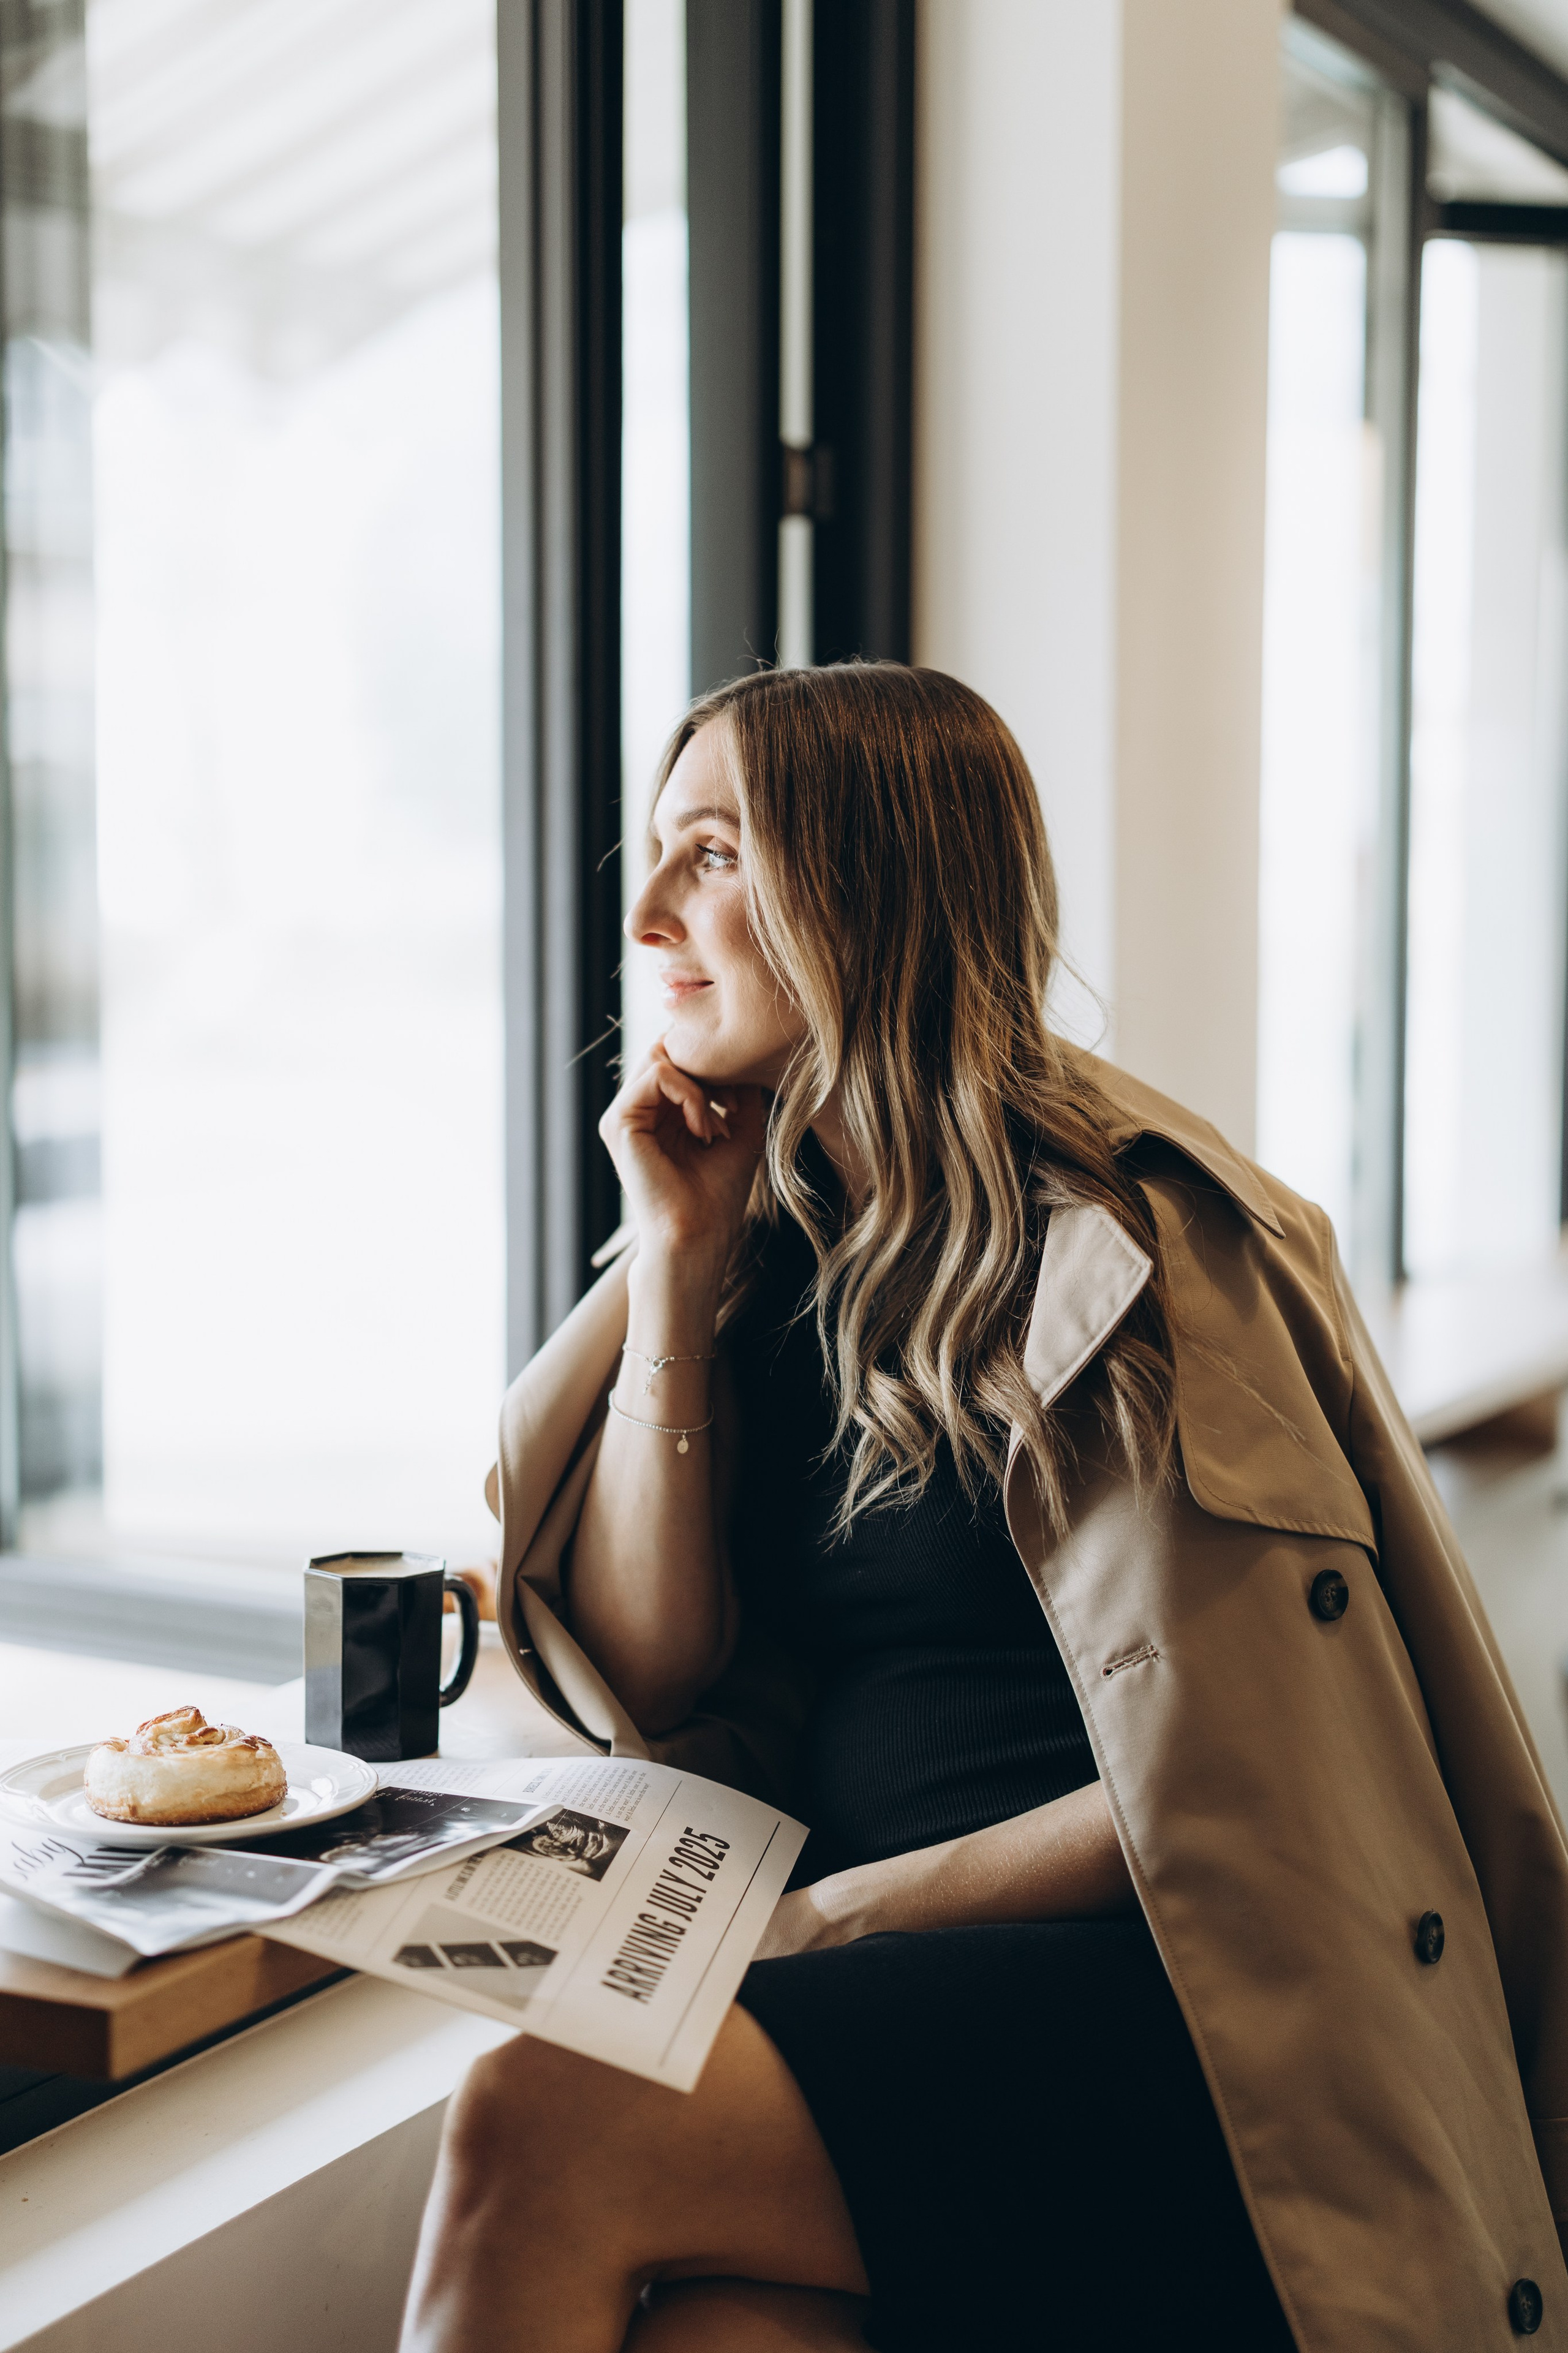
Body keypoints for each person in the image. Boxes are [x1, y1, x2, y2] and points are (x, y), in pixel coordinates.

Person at [401, 665, 1568, 2353]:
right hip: (885, 2004)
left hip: (1174, 2005)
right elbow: (653, 1679)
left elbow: (1240, 1766)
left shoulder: (1143, 1251)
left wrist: (821, 1921)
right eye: (657, 852)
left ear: (865, 885)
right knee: (715, 2339)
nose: (651, 906)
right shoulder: (758, 1235)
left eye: (714, 854)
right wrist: (672, 1265)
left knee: (540, 2113)